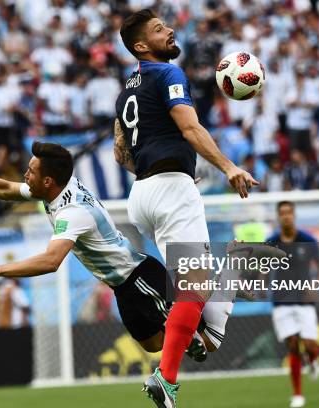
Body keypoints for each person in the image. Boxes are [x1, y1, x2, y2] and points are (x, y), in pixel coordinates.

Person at [0, 142, 204, 355]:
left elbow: (50, 261)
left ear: (47, 181)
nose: (26, 174)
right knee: (153, 345)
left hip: (139, 277)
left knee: (202, 328)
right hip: (121, 285)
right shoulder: (56, 186)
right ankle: (188, 331)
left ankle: (229, 279)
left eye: (31, 171)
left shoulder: (72, 213)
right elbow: (4, 190)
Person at [113, 9, 257, 407]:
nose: (171, 30)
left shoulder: (127, 88)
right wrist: (228, 167)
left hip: (142, 194)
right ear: (142, 45)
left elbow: (121, 151)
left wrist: (159, 166)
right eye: (159, 29)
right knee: (192, 289)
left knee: (207, 332)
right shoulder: (168, 75)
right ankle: (167, 379)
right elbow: (191, 128)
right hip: (172, 191)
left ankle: (221, 287)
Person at [267, 201, 319, 408]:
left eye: (289, 213)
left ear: (294, 215)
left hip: (304, 300)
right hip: (281, 299)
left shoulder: (308, 240)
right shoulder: (271, 242)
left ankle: (313, 359)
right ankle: (298, 395)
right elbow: (263, 269)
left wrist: (315, 285)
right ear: (279, 216)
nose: (286, 216)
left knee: (310, 345)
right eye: (282, 213)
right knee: (293, 345)